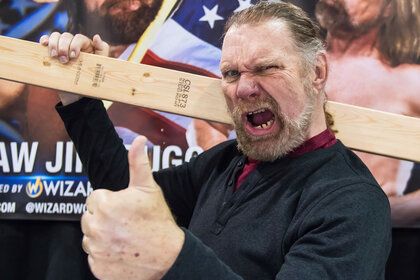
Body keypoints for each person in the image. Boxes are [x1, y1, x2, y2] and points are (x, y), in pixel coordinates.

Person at [41, 2, 391, 279]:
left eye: (266, 68)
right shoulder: (227, 161)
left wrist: (171, 256)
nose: (243, 87)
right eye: (231, 73)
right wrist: (78, 94)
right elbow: (123, 189)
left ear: (316, 72)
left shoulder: (353, 202)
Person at [315, 0, 420, 227]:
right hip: (285, 228)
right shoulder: (293, 66)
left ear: (390, 8)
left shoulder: (409, 82)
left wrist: (392, 209)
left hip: (366, 235)